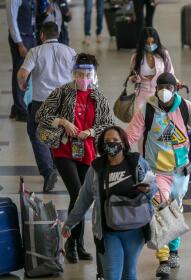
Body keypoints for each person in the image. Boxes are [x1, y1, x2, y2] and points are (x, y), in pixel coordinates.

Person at [126, 72, 191, 278]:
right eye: (160, 87)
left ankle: (174, 250)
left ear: (175, 89)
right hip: (156, 171)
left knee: (176, 208)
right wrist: (116, 150)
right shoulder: (147, 110)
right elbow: (131, 134)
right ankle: (163, 258)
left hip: (180, 171)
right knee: (160, 208)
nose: (164, 91)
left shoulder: (186, 108)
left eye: (168, 88)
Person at [36, 53, 114, 263]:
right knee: (78, 193)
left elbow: (107, 124)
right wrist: (62, 122)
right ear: (73, 73)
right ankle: (71, 245)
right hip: (63, 150)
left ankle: (78, 244)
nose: (83, 78)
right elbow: (41, 114)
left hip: (87, 151)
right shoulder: (62, 92)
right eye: (79, 73)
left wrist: (90, 132)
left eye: (87, 74)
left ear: (93, 75)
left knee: (82, 198)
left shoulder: (98, 97)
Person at [62, 126, 157, 280]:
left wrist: (149, 189)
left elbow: (154, 185)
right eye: (107, 141)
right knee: (112, 275)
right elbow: (83, 199)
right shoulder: (96, 169)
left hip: (136, 230)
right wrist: (69, 224)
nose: (111, 144)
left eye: (115, 140)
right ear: (102, 145)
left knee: (130, 273)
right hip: (108, 232)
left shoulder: (136, 162)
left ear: (124, 143)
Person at [17, 22, 76, 192]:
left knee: (36, 133)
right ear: (57, 34)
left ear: (42, 35)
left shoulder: (35, 51)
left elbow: (22, 74)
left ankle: (48, 171)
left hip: (42, 101)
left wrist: (22, 85)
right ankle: (62, 167)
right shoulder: (70, 51)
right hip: (65, 100)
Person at [128, 27, 176, 111]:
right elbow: (131, 76)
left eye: (152, 42)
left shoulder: (164, 54)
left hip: (160, 94)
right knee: (139, 120)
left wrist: (176, 83)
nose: (150, 45)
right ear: (142, 43)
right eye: (147, 43)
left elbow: (170, 73)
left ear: (156, 41)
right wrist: (134, 78)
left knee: (159, 121)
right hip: (141, 94)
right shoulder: (137, 57)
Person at [6, 0, 38, 121]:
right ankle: (20, 111)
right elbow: (12, 20)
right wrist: (19, 43)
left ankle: (16, 106)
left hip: (31, 36)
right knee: (20, 72)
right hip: (21, 39)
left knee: (27, 72)